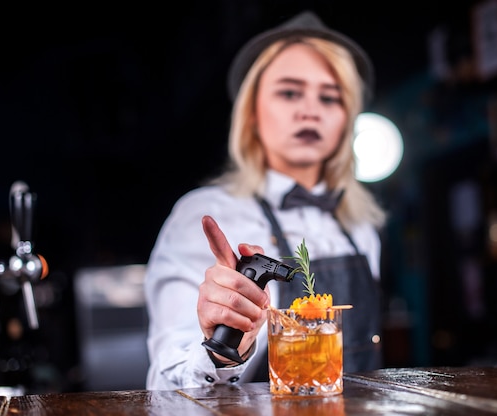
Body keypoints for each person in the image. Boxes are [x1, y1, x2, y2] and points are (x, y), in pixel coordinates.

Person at [144, 10, 387, 391]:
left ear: (346, 118)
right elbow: (165, 384)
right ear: (252, 112)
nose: (310, 110)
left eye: (330, 97)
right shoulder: (207, 215)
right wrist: (223, 350)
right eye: (289, 92)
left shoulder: (360, 225)